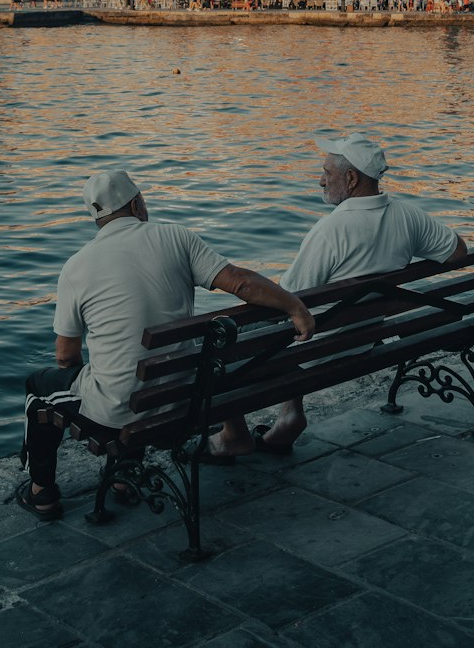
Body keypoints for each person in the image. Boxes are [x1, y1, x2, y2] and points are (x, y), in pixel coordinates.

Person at [18, 169, 315, 520]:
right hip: (184, 398)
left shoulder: (76, 267)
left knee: (40, 390)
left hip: (121, 413)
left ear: (97, 217)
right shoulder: (177, 237)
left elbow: (65, 356)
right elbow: (241, 283)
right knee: (138, 373)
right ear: (138, 204)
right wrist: (295, 307)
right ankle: (122, 479)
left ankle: (42, 494)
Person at [210, 130, 467, 458]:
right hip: (362, 337)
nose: (320, 181)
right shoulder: (408, 216)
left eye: (327, 174)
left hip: (315, 349)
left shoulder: (331, 230)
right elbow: (458, 252)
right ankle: (289, 416)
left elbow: (288, 299)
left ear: (351, 178)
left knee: (219, 340)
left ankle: (233, 437)